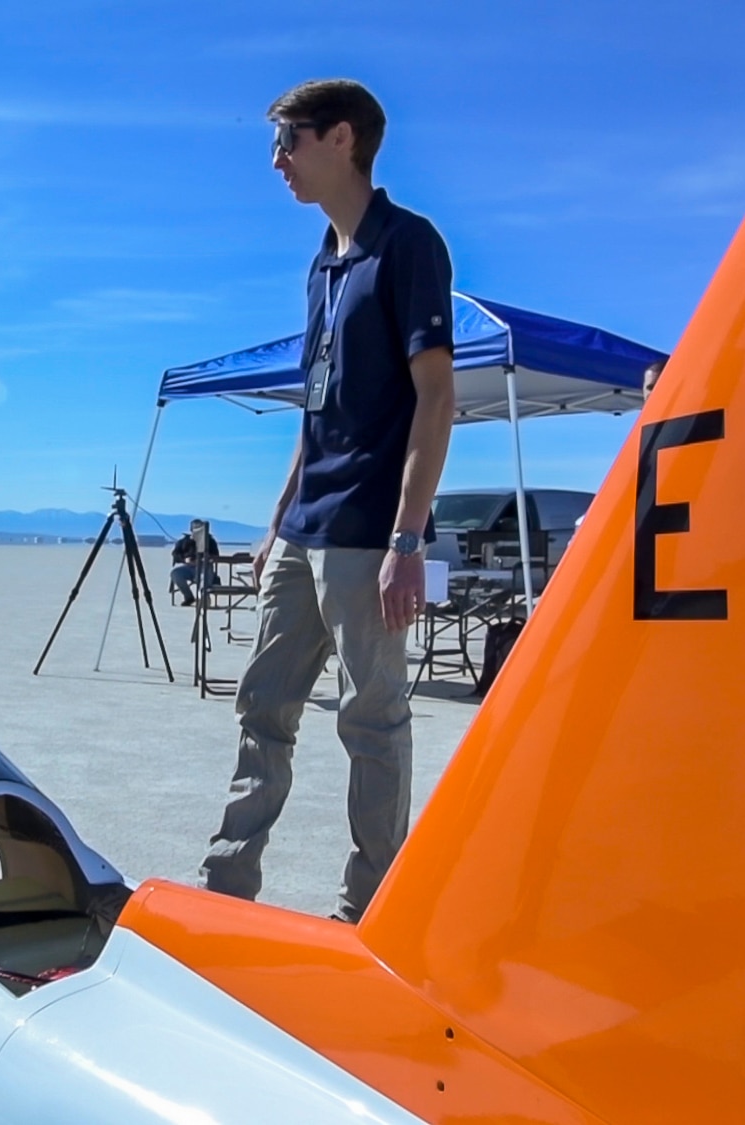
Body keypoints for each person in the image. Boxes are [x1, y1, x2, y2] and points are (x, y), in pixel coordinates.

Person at [199, 79, 455, 923]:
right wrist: (276, 525)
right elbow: (316, 411)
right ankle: (226, 891)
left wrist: (407, 540)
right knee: (262, 706)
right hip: (304, 530)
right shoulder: (322, 264)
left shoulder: (408, 246)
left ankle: (371, 912)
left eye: (288, 141)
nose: (277, 161)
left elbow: (435, 398)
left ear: (341, 139)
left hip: (366, 538)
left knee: (371, 722)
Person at [169, 519, 219, 606]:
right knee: (175, 573)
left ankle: (203, 597)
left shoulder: (210, 541)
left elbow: (216, 555)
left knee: (204, 575)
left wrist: (204, 560)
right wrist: (184, 560)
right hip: (189, 568)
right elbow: (175, 554)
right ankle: (188, 597)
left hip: (204, 567)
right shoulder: (184, 541)